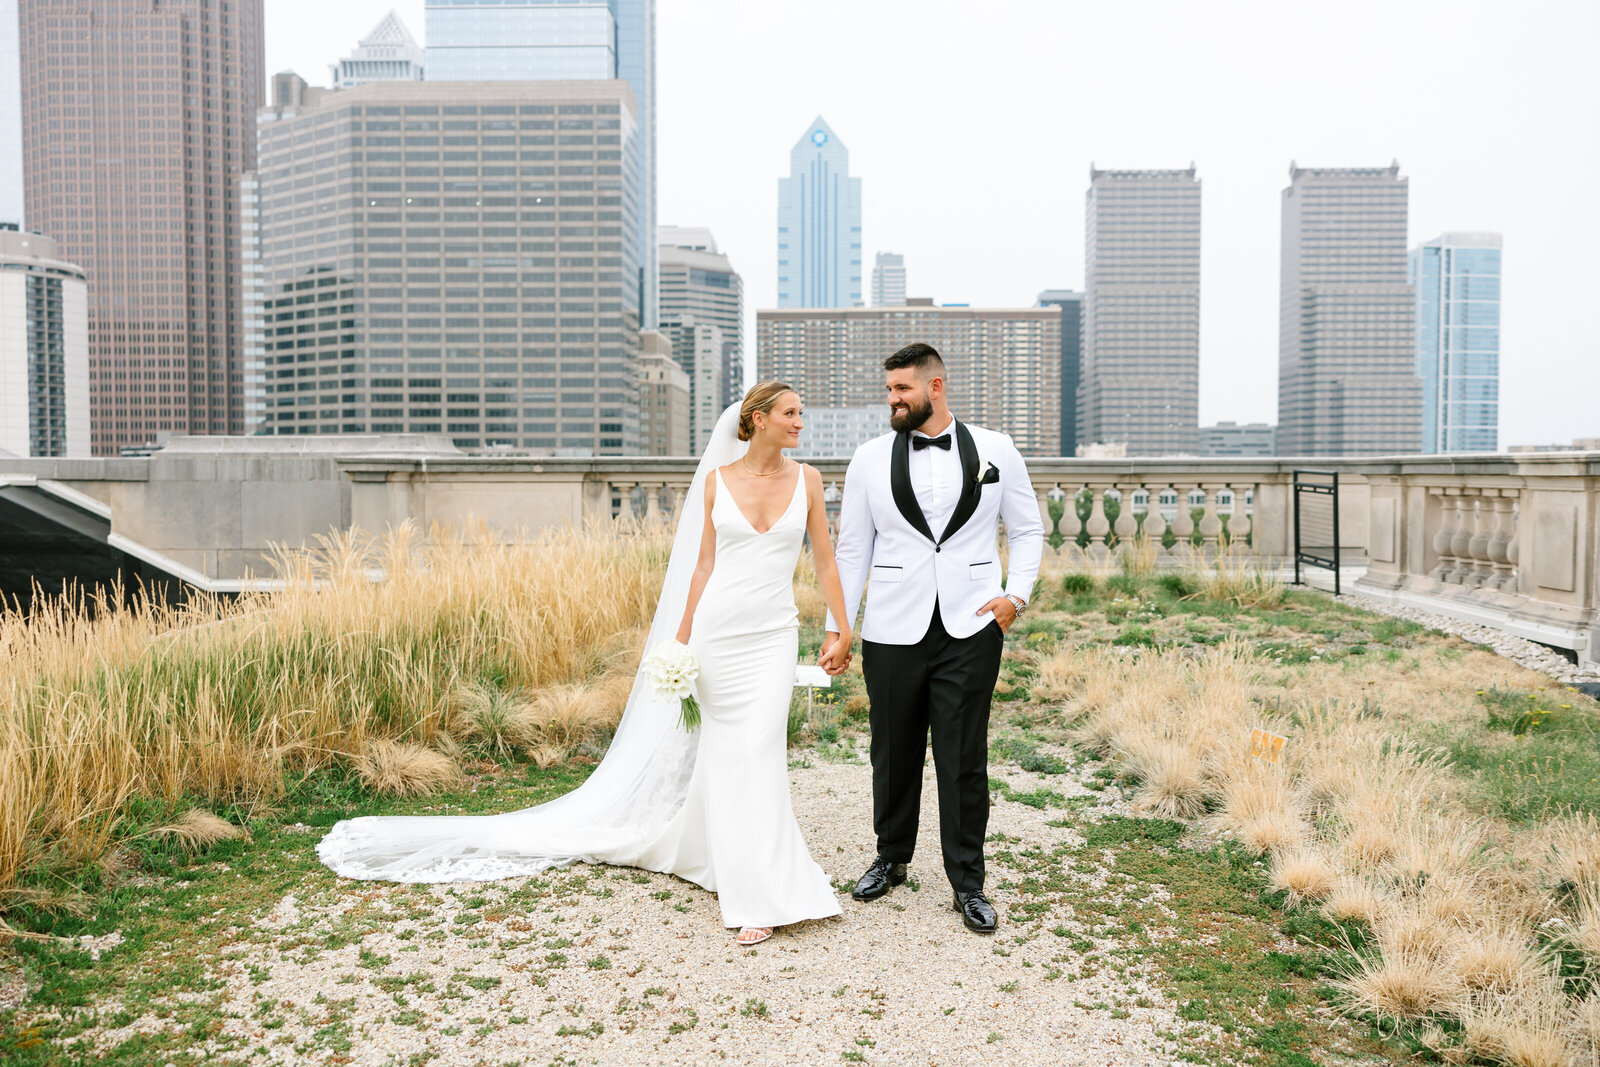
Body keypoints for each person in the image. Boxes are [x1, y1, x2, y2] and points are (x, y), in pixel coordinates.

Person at [318, 384, 849, 948]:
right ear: (759, 419)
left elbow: (824, 559)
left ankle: (754, 873)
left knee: (758, 750)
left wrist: (839, 626)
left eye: (800, 414)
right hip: (718, 635)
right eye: (791, 414)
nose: (800, 422)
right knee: (725, 757)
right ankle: (751, 892)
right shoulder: (718, 482)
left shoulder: (808, 481)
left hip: (771, 636)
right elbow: (701, 569)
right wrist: (680, 642)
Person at [820, 342, 1044, 935]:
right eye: (889, 390)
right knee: (891, 750)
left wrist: (1014, 596)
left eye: (901, 390)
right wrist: (838, 627)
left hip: (972, 625)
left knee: (963, 756)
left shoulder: (996, 450)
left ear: (935, 387)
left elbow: (1026, 529)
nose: (891, 400)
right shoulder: (869, 458)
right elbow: (853, 549)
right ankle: (890, 858)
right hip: (893, 627)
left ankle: (968, 881)